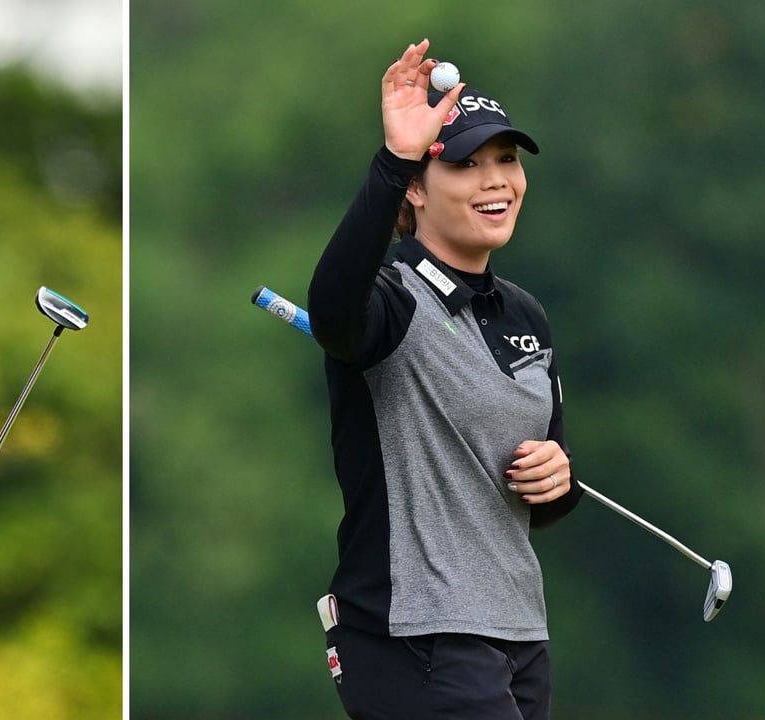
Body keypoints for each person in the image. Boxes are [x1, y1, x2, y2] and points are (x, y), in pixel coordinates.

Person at [307, 39, 583, 720]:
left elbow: (542, 499)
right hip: (413, 632)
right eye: (465, 165)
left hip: (519, 632)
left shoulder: (526, 315)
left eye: (507, 161)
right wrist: (396, 153)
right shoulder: (388, 303)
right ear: (417, 191)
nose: (496, 181)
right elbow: (332, 307)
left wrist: (558, 476)